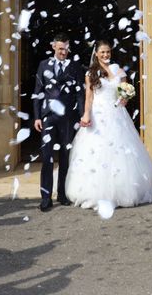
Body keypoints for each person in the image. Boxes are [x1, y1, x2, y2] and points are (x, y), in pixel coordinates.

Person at [65, 40, 152, 211]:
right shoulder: (91, 73)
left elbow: (125, 91)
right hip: (98, 116)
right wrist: (86, 114)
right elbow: (89, 97)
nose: (106, 55)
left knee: (121, 151)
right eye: (102, 52)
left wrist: (125, 97)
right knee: (97, 151)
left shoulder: (117, 69)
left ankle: (123, 191)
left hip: (116, 114)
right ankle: (96, 193)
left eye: (108, 52)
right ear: (96, 53)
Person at [33, 33, 85, 212]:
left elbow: (80, 93)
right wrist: (37, 116)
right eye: (60, 48)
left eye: (66, 49)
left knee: (65, 157)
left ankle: (61, 194)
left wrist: (82, 115)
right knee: (46, 157)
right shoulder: (43, 65)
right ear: (53, 47)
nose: (64, 52)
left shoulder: (75, 66)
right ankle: (45, 197)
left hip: (69, 119)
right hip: (48, 117)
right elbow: (38, 92)